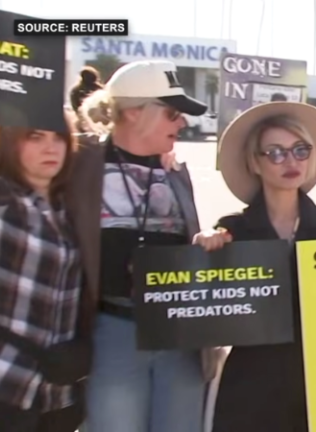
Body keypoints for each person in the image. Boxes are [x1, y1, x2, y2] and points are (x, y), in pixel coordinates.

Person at [196, 101, 316, 432]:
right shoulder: (232, 230)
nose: (291, 161)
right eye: (276, 152)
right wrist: (204, 251)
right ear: (255, 162)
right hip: (250, 389)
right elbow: (207, 308)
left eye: (300, 150)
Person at [69, 59, 219, 432]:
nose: (181, 122)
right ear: (134, 113)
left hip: (178, 334)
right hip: (112, 332)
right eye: (171, 113)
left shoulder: (175, 174)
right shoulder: (78, 163)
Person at [0, 120, 87, 431]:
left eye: (58, 139)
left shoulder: (70, 209)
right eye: (36, 137)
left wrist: (162, 162)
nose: (50, 148)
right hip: (5, 380)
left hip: (59, 392)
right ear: (12, 143)